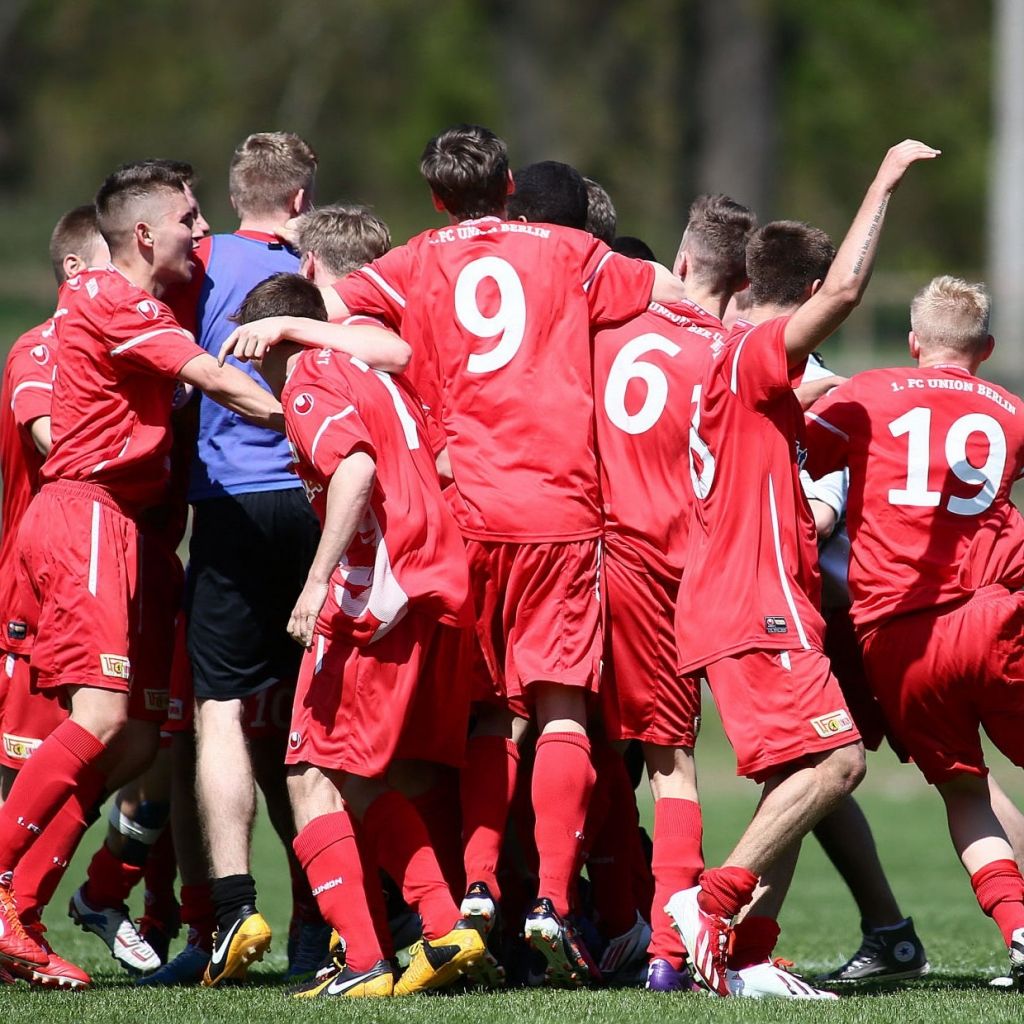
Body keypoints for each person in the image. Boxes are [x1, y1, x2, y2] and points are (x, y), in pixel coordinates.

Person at [222, 125, 687, 987]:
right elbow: (665, 289)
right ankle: (552, 901)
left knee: (483, 719)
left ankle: (470, 895)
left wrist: (291, 320)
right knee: (560, 711)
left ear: (435, 198)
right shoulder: (568, 251)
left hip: (465, 510)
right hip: (559, 506)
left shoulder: (413, 261)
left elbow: (356, 321)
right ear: (508, 184)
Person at [0, 161, 288, 981]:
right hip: (86, 515)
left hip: (131, 531)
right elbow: (216, 380)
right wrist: (315, 417)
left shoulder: (135, 305)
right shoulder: (113, 299)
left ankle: (26, 909)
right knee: (95, 720)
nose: (203, 232)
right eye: (190, 218)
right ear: (143, 233)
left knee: (131, 740)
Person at [666, 139, 940, 998]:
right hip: (754, 601)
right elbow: (849, 293)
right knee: (841, 763)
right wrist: (884, 178)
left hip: (741, 596)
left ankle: (748, 959)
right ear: (806, 295)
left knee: (799, 775)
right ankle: (708, 905)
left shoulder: (724, 360)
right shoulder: (753, 355)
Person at [803, 274, 1024, 986]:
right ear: (986, 348)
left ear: (912, 342)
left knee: (965, 793)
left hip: (898, 638)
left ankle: (1020, 931)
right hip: (996, 615)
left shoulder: (866, 393)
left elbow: (798, 453)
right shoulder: (1011, 412)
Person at [593, 194, 755, 991]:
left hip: (587, 562)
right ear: (744, 281)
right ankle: (664, 948)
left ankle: (575, 913)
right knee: (672, 766)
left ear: (681, 260)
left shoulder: (607, 332)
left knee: (567, 742)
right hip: (670, 574)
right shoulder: (730, 356)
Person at [0, 205, 110, 990]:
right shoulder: (41, 347)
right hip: (39, 582)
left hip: (100, 570)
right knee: (26, 762)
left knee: (123, 743)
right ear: (76, 270)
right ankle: (14, 916)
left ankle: (24, 916)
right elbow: (50, 438)